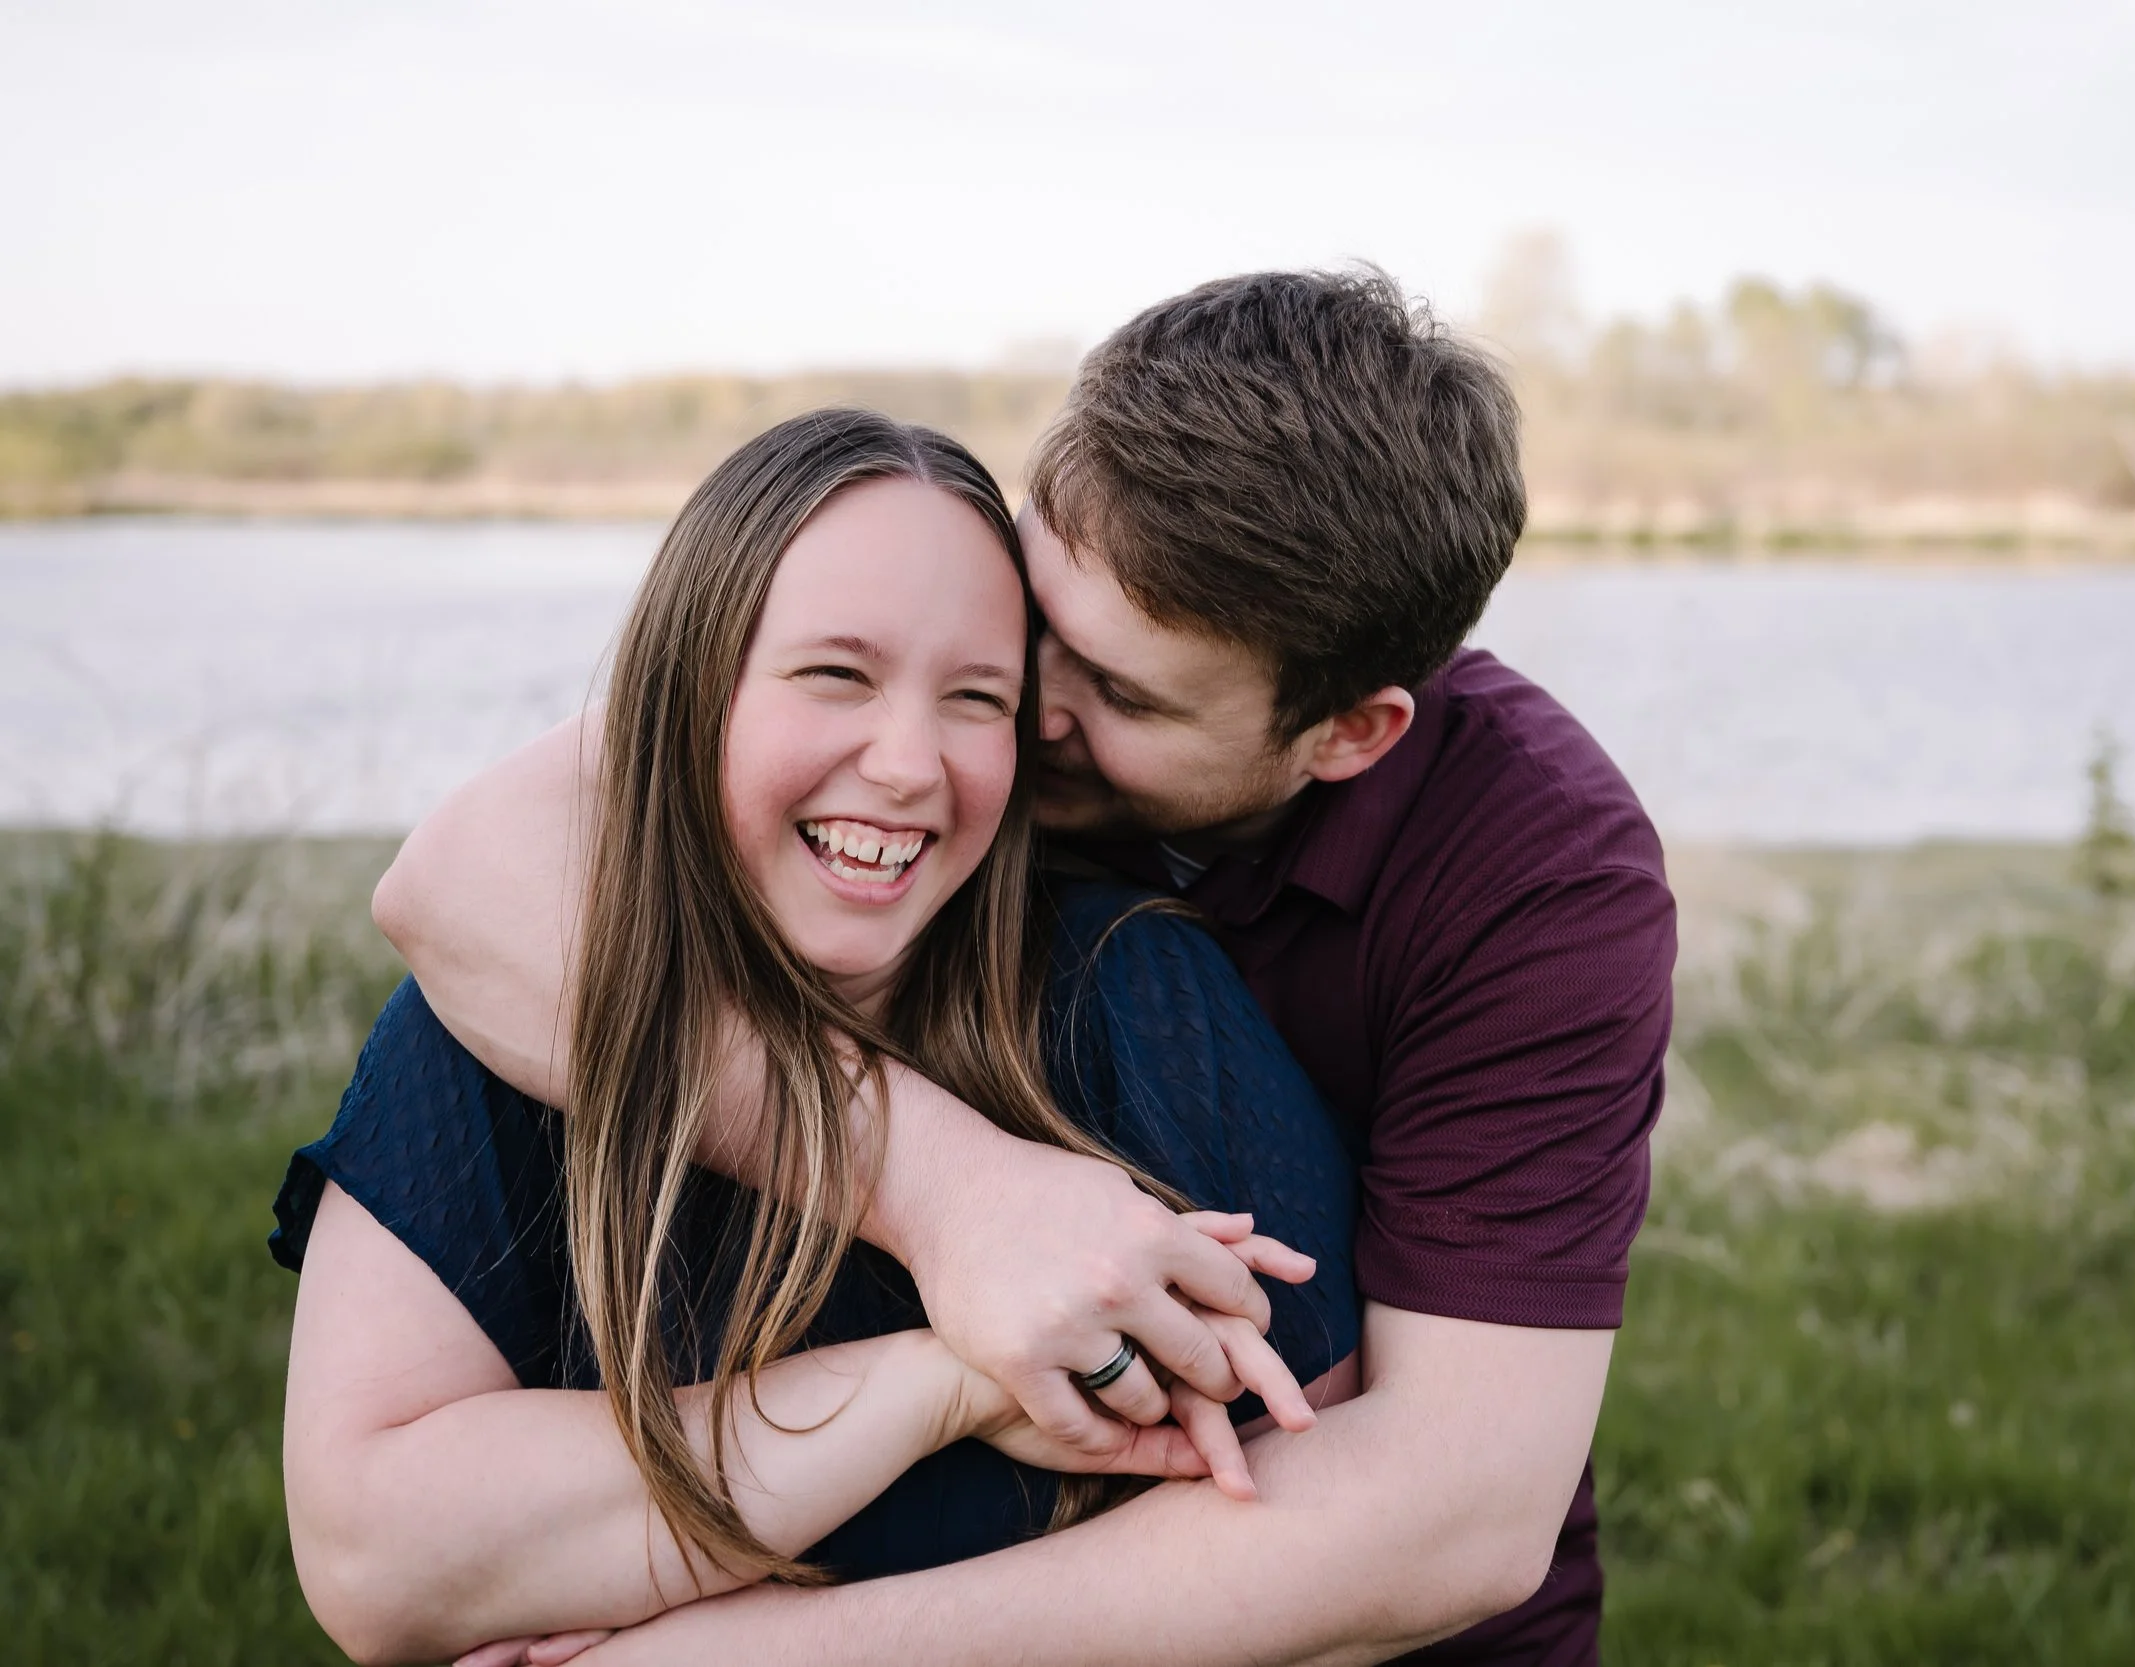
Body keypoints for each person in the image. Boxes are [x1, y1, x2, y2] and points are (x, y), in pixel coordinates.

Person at [382, 268, 1678, 1664]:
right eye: (1040, 624)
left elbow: (1449, 1513)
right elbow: (460, 880)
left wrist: (744, 1654)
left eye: (1120, 693)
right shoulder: (943, 689)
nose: (1014, 707)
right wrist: (949, 1190)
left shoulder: (1537, 876)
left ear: (1347, 735)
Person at [272, 408, 1360, 1665]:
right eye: (834, 674)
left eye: (975, 698)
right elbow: (379, 1561)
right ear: (688, 688)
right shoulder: (503, 1026)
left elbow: (1306, 1539)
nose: (906, 764)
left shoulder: (1139, 1002)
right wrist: (948, 1377)